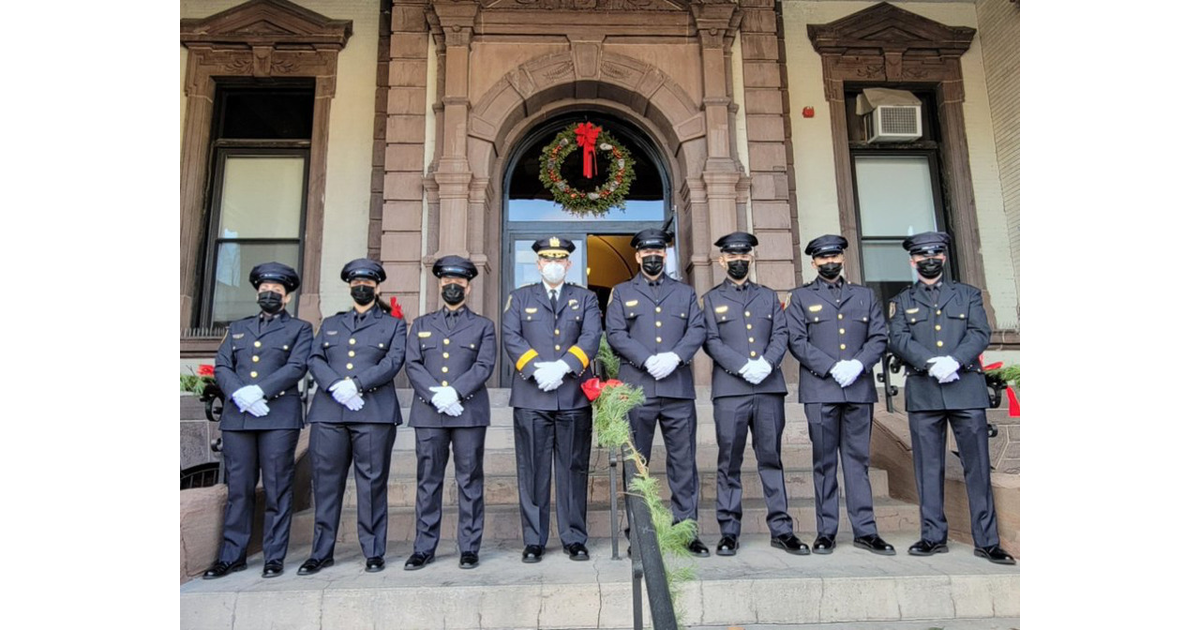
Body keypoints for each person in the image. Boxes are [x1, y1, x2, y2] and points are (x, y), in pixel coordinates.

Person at [887, 231, 1014, 565]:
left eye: (935, 254)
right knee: (928, 468)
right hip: (925, 391)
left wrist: (954, 360)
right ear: (912, 261)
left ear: (943, 258)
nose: (929, 260)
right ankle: (932, 536)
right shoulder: (902, 301)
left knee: (978, 468)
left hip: (965, 389)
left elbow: (979, 332)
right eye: (922, 256)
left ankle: (988, 541)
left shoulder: (968, 295)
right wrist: (931, 362)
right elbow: (898, 338)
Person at [701, 232, 809, 557]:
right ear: (722, 260)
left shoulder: (768, 297)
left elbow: (782, 333)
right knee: (728, 462)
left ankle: (782, 529)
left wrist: (766, 363)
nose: (738, 261)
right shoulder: (710, 299)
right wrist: (740, 366)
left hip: (768, 387)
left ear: (751, 258)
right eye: (731, 257)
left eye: (743, 256)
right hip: (731, 391)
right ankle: (729, 532)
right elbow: (710, 340)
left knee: (771, 459)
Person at [785, 235, 894, 555]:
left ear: (843, 259)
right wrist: (832, 367)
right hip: (821, 389)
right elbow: (797, 341)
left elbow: (879, 336)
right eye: (823, 258)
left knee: (858, 461)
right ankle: (826, 531)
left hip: (858, 388)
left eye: (835, 257)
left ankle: (865, 530)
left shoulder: (864, 296)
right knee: (824, 462)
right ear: (814, 262)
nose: (829, 262)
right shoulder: (801, 297)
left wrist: (858, 364)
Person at [604, 228, 709, 557]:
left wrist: (676, 356)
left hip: (677, 389)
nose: (653, 257)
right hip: (637, 390)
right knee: (637, 466)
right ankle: (640, 532)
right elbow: (616, 333)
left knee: (683, 463)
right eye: (647, 252)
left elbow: (698, 329)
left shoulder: (685, 293)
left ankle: (685, 529)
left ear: (666, 255)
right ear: (637, 256)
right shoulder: (621, 293)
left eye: (659, 252)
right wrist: (647, 359)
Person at [298, 258, 407, 575]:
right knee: (326, 485)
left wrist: (358, 385)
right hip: (330, 411)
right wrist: (335, 385)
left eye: (368, 282)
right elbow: (314, 357)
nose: (362, 287)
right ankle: (321, 551)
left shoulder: (394, 324)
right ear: (349, 286)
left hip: (373, 412)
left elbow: (393, 361)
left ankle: (373, 550)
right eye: (357, 282)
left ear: (377, 287)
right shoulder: (331, 323)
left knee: (371, 484)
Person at [205, 262, 313, 579]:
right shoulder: (238, 328)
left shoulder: (300, 329)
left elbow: (296, 367)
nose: (269, 295)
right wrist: (240, 394)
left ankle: (274, 555)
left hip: (278, 417)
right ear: (256, 293)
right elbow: (223, 365)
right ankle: (232, 555)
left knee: (278, 487)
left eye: (276, 291)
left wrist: (261, 392)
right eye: (265, 290)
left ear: (287, 297)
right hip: (239, 418)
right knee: (239, 488)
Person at [501, 237, 602, 563]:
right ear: (539, 264)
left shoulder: (584, 299)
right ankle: (534, 540)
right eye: (548, 260)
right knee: (532, 470)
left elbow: (591, 336)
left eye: (561, 260)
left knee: (573, 468)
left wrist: (564, 366)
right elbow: (511, 335)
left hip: (572, 395)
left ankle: (574, 537)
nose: (555, 264)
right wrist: (534, 367)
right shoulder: (519, 298)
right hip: (532, 396)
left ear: (569, 264)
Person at [403, 255, 497, 571]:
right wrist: (435, 395)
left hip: (468, 412)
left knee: (469, 480)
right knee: (428, 481)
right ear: (440, 284)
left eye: (459, 282)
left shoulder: (483, 325)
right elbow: (413, 364)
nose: (452, 286)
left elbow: (484, 365)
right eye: (447, 281)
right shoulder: (422, 324)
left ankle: (469, 547)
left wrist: (454, 392)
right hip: (429, 414)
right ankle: (424, 547)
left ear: (468, 287)